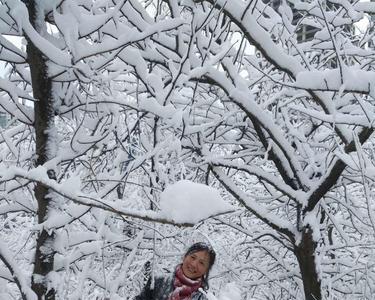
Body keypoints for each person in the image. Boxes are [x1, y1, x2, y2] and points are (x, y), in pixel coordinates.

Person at [135, 242, 216, 300]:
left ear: (206, 270)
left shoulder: (204, 297)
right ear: (184, 257)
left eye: (201, 263)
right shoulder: (159, 281)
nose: (194, 264)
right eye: (193, 257)